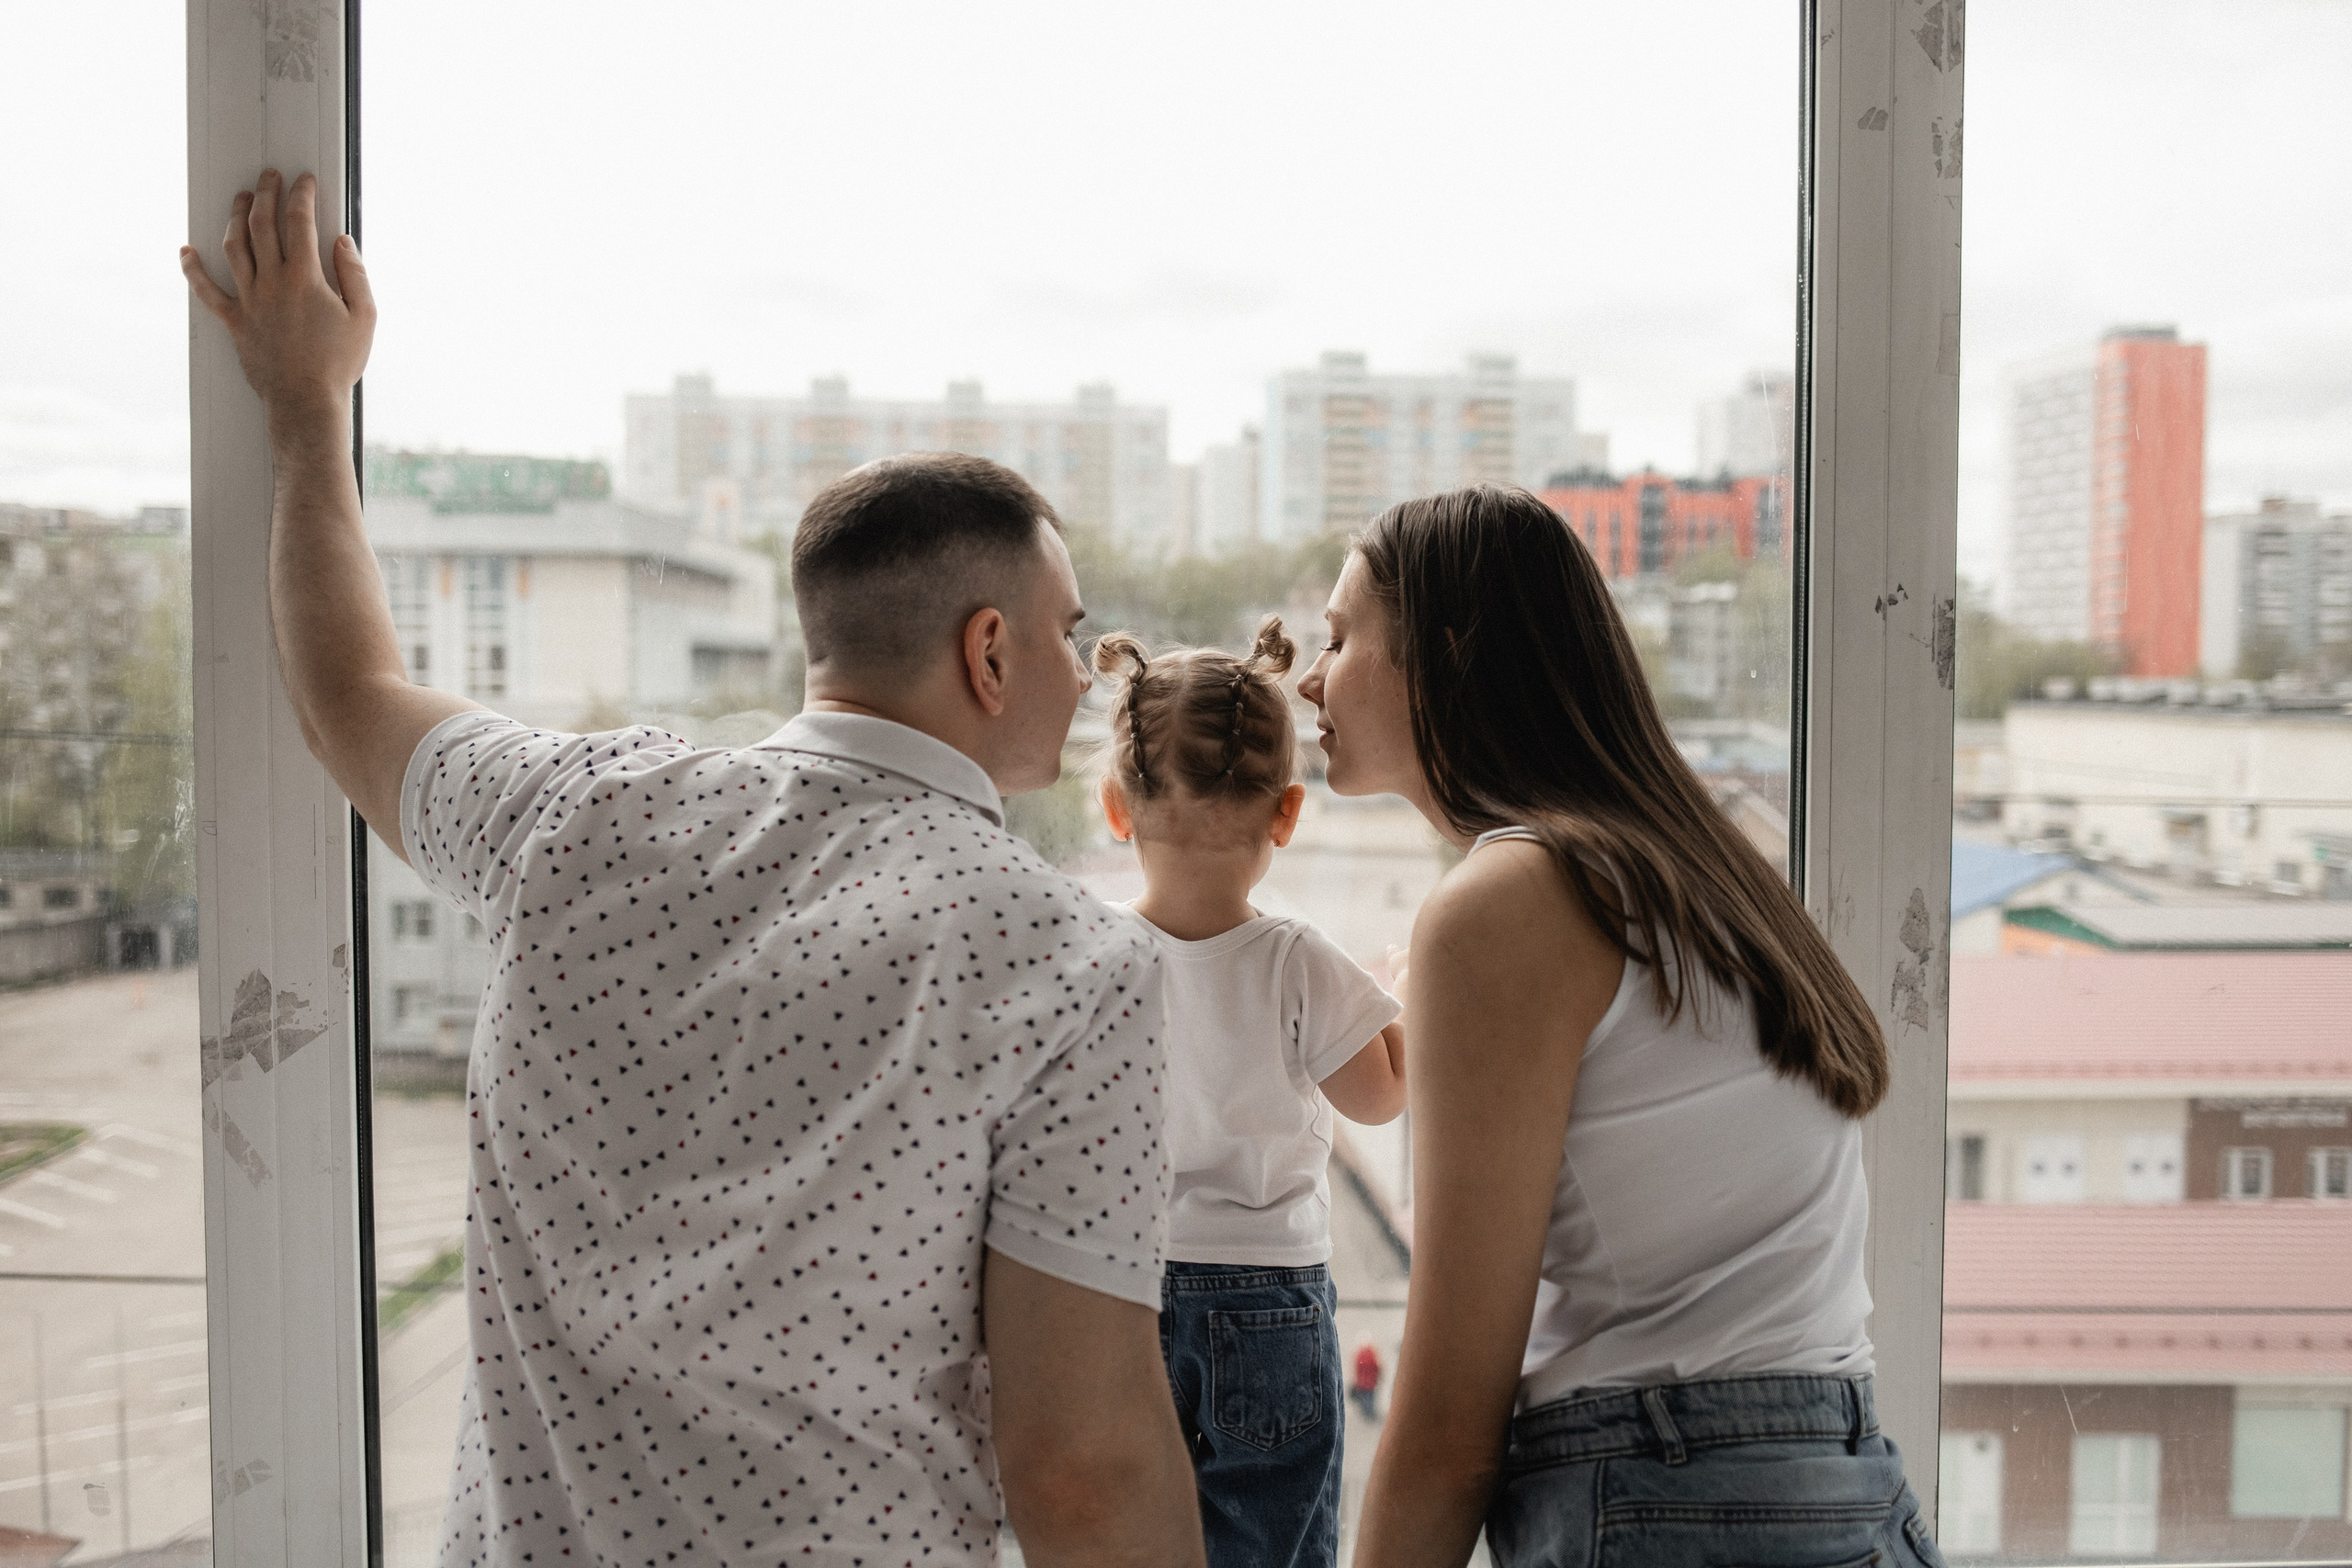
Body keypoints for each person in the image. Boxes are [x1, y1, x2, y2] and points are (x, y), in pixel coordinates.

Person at [180, 170, 1206, 1568]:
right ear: (988, 650)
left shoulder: (573, 814)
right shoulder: (1069, 968)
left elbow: (345, 696)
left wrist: (306, 408)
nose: (1085, 671)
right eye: (1069, 632)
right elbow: (1081, 1471)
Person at [1302, 487, 1944, 1568]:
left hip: (1669, 1496)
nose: (1308, 678)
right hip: (1850, 1491)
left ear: (1446, 656)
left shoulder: (1508, 903)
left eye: (1336, 638)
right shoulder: (1706, 877)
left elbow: (1451, 1422)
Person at [1091, 619, 1407, 1568]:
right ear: (1286, 813)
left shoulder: (1086, 951)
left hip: (1117, 1289)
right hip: (1268, 1298)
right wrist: (1403, 1000)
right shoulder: (1297, 959)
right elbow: (1380, 1099)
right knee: (1268, 1540)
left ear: (1116, 807)